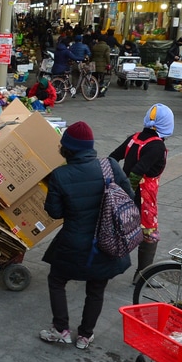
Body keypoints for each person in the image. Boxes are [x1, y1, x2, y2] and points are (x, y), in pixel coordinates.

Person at [38, 122, 132, 349]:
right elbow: (128, 196)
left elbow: (55, 212)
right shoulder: (110, 166)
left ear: (67, 149)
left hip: (73, 242)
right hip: (107, 242)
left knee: (57, 280)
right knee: (96, 288)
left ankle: (61, 330)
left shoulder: (60, 175)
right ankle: (85, 336)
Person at [109, 104, 173, 284]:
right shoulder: (157, 146)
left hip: (125, 191)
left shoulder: (134, 138)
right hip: (142, 197)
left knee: (118, 227)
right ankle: (143, 275)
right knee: (150, 234)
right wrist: (128, 196)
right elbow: (138, 172)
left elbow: (112, 158)